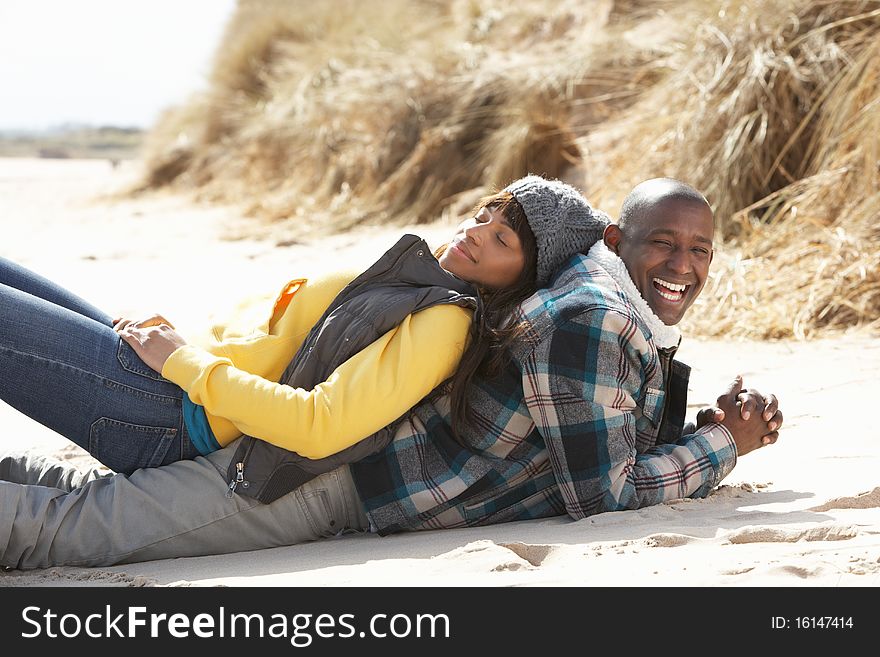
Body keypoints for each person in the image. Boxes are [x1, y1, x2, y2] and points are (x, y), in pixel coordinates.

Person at [0, 177, 782, 569]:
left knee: (70, 510)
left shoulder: (571, 308)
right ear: (618, 238)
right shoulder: (585, 314)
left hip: (271, 447)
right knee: (68, 516)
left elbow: (600, 445)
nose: (681, 265)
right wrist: (723, 444)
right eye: (484, 214)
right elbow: (605, 481)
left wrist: (711, 432)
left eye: (699, 250)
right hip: (285, 459)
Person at [0, 175, 607, 495]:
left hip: (166, 414)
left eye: (502, 239)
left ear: (519, 276)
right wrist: (190, 346)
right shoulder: (420, 282)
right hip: (168, 381)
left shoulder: (447, 322)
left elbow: (322, 425)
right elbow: (282, 341)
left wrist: (186, 364)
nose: (477, 231)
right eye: (486, 215)